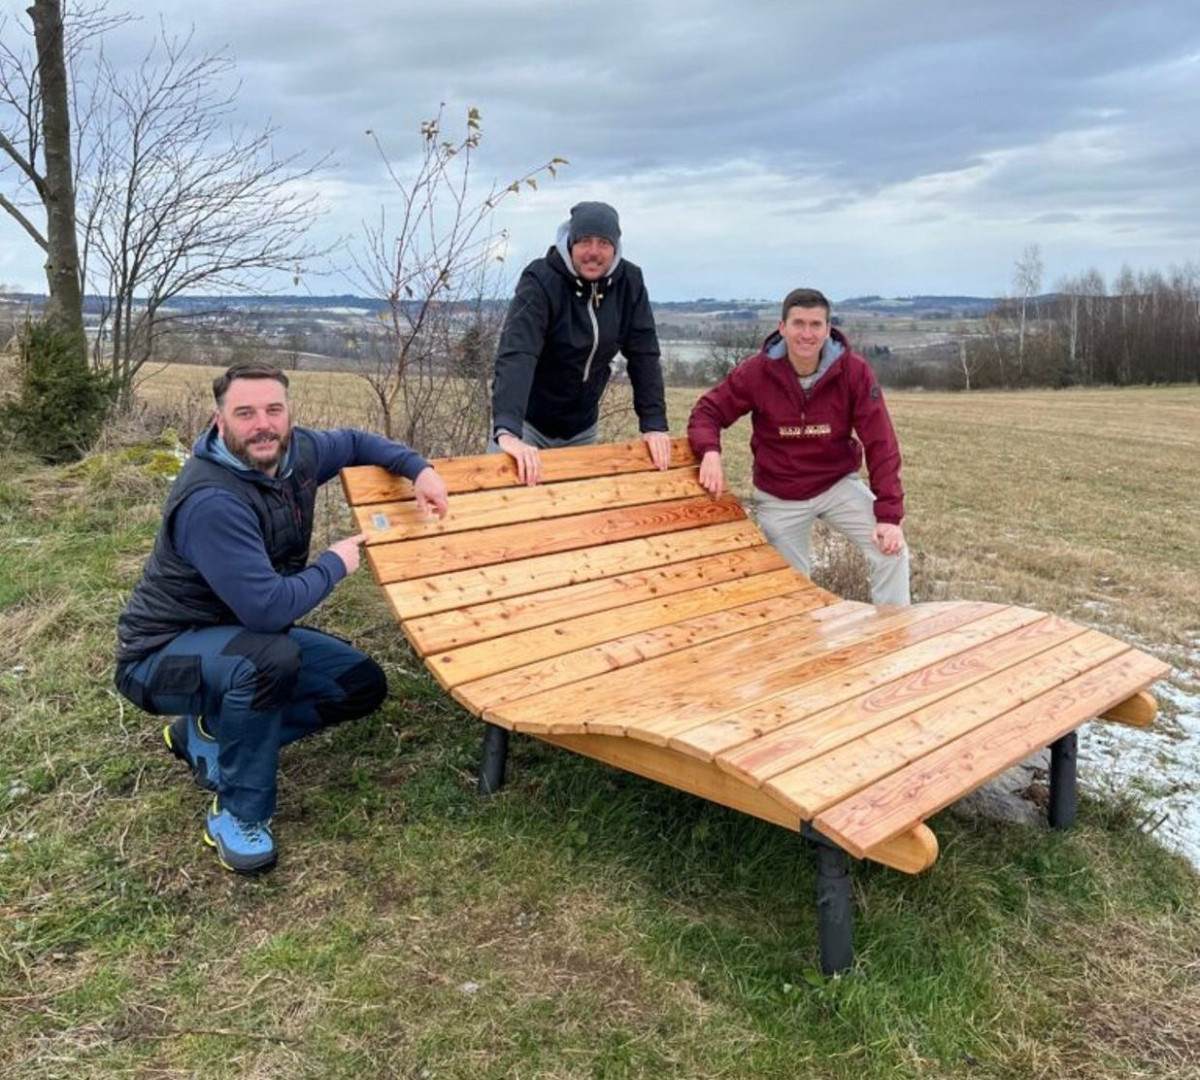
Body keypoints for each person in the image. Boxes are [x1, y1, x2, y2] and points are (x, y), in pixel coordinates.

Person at [114, 363, 450, 874]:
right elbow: (268, 611)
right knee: (269, 660)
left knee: (358, 685)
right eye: (245, 413)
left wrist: (419, 469)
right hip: (161, 656)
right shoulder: (212, 500)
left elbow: (359, 442)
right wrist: (334, 564)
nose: (263, 424)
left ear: (289, 413)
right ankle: (238, 814)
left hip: (234, 640)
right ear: (219, 420)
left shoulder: (301, 454)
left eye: (274, 410)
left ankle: (209, 734)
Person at [687, 288, 910, 605]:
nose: (807, 334)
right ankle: (805, 648)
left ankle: (893, 637)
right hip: (780, 492)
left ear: (828, 329)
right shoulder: (756, 372)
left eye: (816, 325)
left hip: (836, 483)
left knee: (892, 551)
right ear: (782, 328)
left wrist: (889, 516)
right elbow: (707, 412)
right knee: (791, 591)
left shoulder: (853, 372)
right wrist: (710, 451)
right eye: (799, 323)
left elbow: (881, 442)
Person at [491, 200, 671, 484]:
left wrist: (654, 424)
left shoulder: (629, 282)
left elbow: (644, 354)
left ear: (615, 248)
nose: (594, 252)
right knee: (502, 509)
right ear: (571, 243)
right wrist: (508, 431)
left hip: (581, 426)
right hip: (528, 423)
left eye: (603, 243)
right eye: (585, 241)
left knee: (572, 518)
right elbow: (518, 353)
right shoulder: (540, 280)